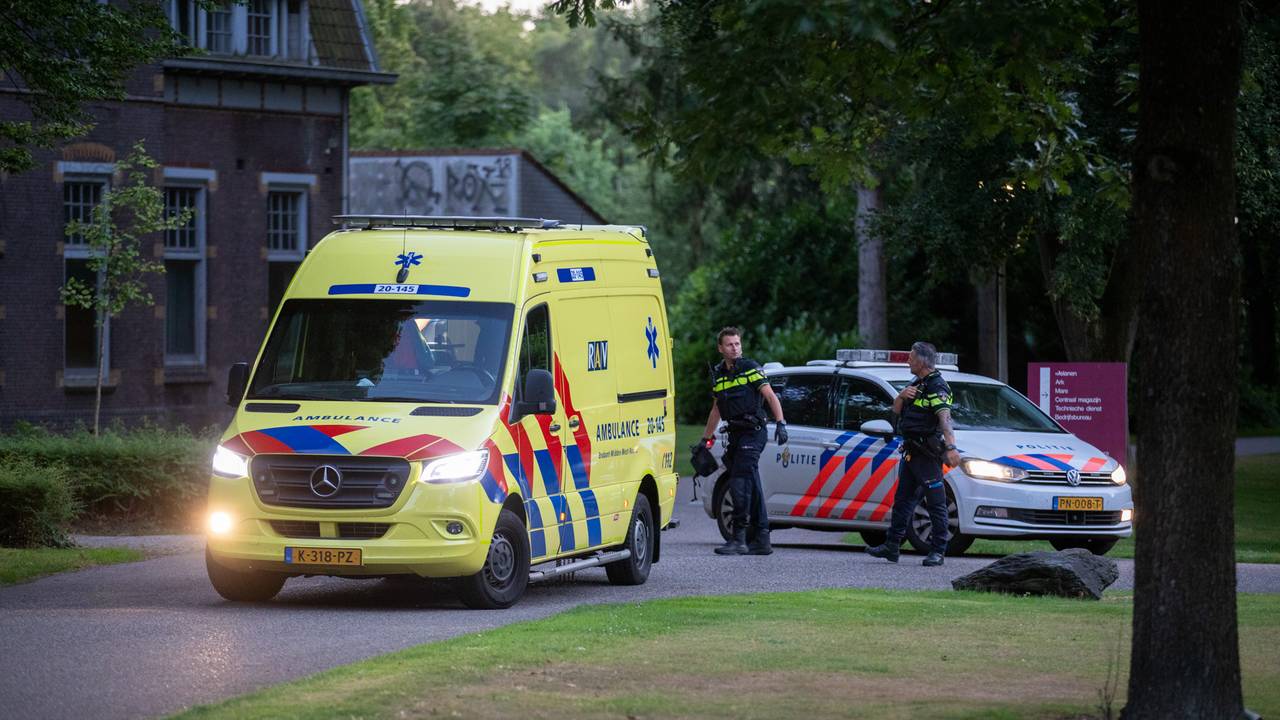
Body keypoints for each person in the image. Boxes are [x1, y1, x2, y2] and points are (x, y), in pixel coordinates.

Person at [866, 341, 962, 566]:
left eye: (911, 357)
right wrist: (901, 396)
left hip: (927, 454)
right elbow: (896, 411)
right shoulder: (916, 383)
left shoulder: (937, 386)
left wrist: (951, 447)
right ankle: (892, 546)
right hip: (911, 452)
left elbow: (945, 419)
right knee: (902, 501)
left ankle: (938, 551)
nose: (908, 361)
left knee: (936, 503)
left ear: (921, 361)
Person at [701, 327, 787, 556]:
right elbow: (716, 409)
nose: (735, 348)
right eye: (730, 344)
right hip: (736, 435)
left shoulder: (750, 368)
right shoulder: (720, 375)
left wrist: (781, 423)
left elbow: (770, 396)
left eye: (737, 344)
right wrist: (705, 439)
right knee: (753, 484)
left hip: (753, 432)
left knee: (739, 480)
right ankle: (762, 540)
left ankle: (738, 538)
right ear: (720, 348)